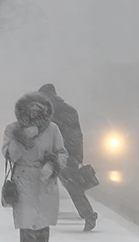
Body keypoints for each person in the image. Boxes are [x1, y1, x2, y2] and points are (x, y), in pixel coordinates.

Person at [2, 91, 68, 242]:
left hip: (45, 180)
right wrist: (23, 138)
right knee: (26, 221)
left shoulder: (53, 129)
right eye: (30, 109)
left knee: (42, 221)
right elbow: (9, 155)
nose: (33, 113)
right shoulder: (13, 129)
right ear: (23, 110)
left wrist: (52, 165)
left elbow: (62, 153)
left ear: (44, 111)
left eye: (38, 110)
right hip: (23, 178)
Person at [38, 83, 98, 231]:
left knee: (42, 184)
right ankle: (88, 214)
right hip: (68, 153)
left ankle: (40, 217)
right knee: (74, 188)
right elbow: (78, 135)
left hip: (52, 153)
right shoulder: (70, 110)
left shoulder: (46, 111)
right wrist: (78, 155)